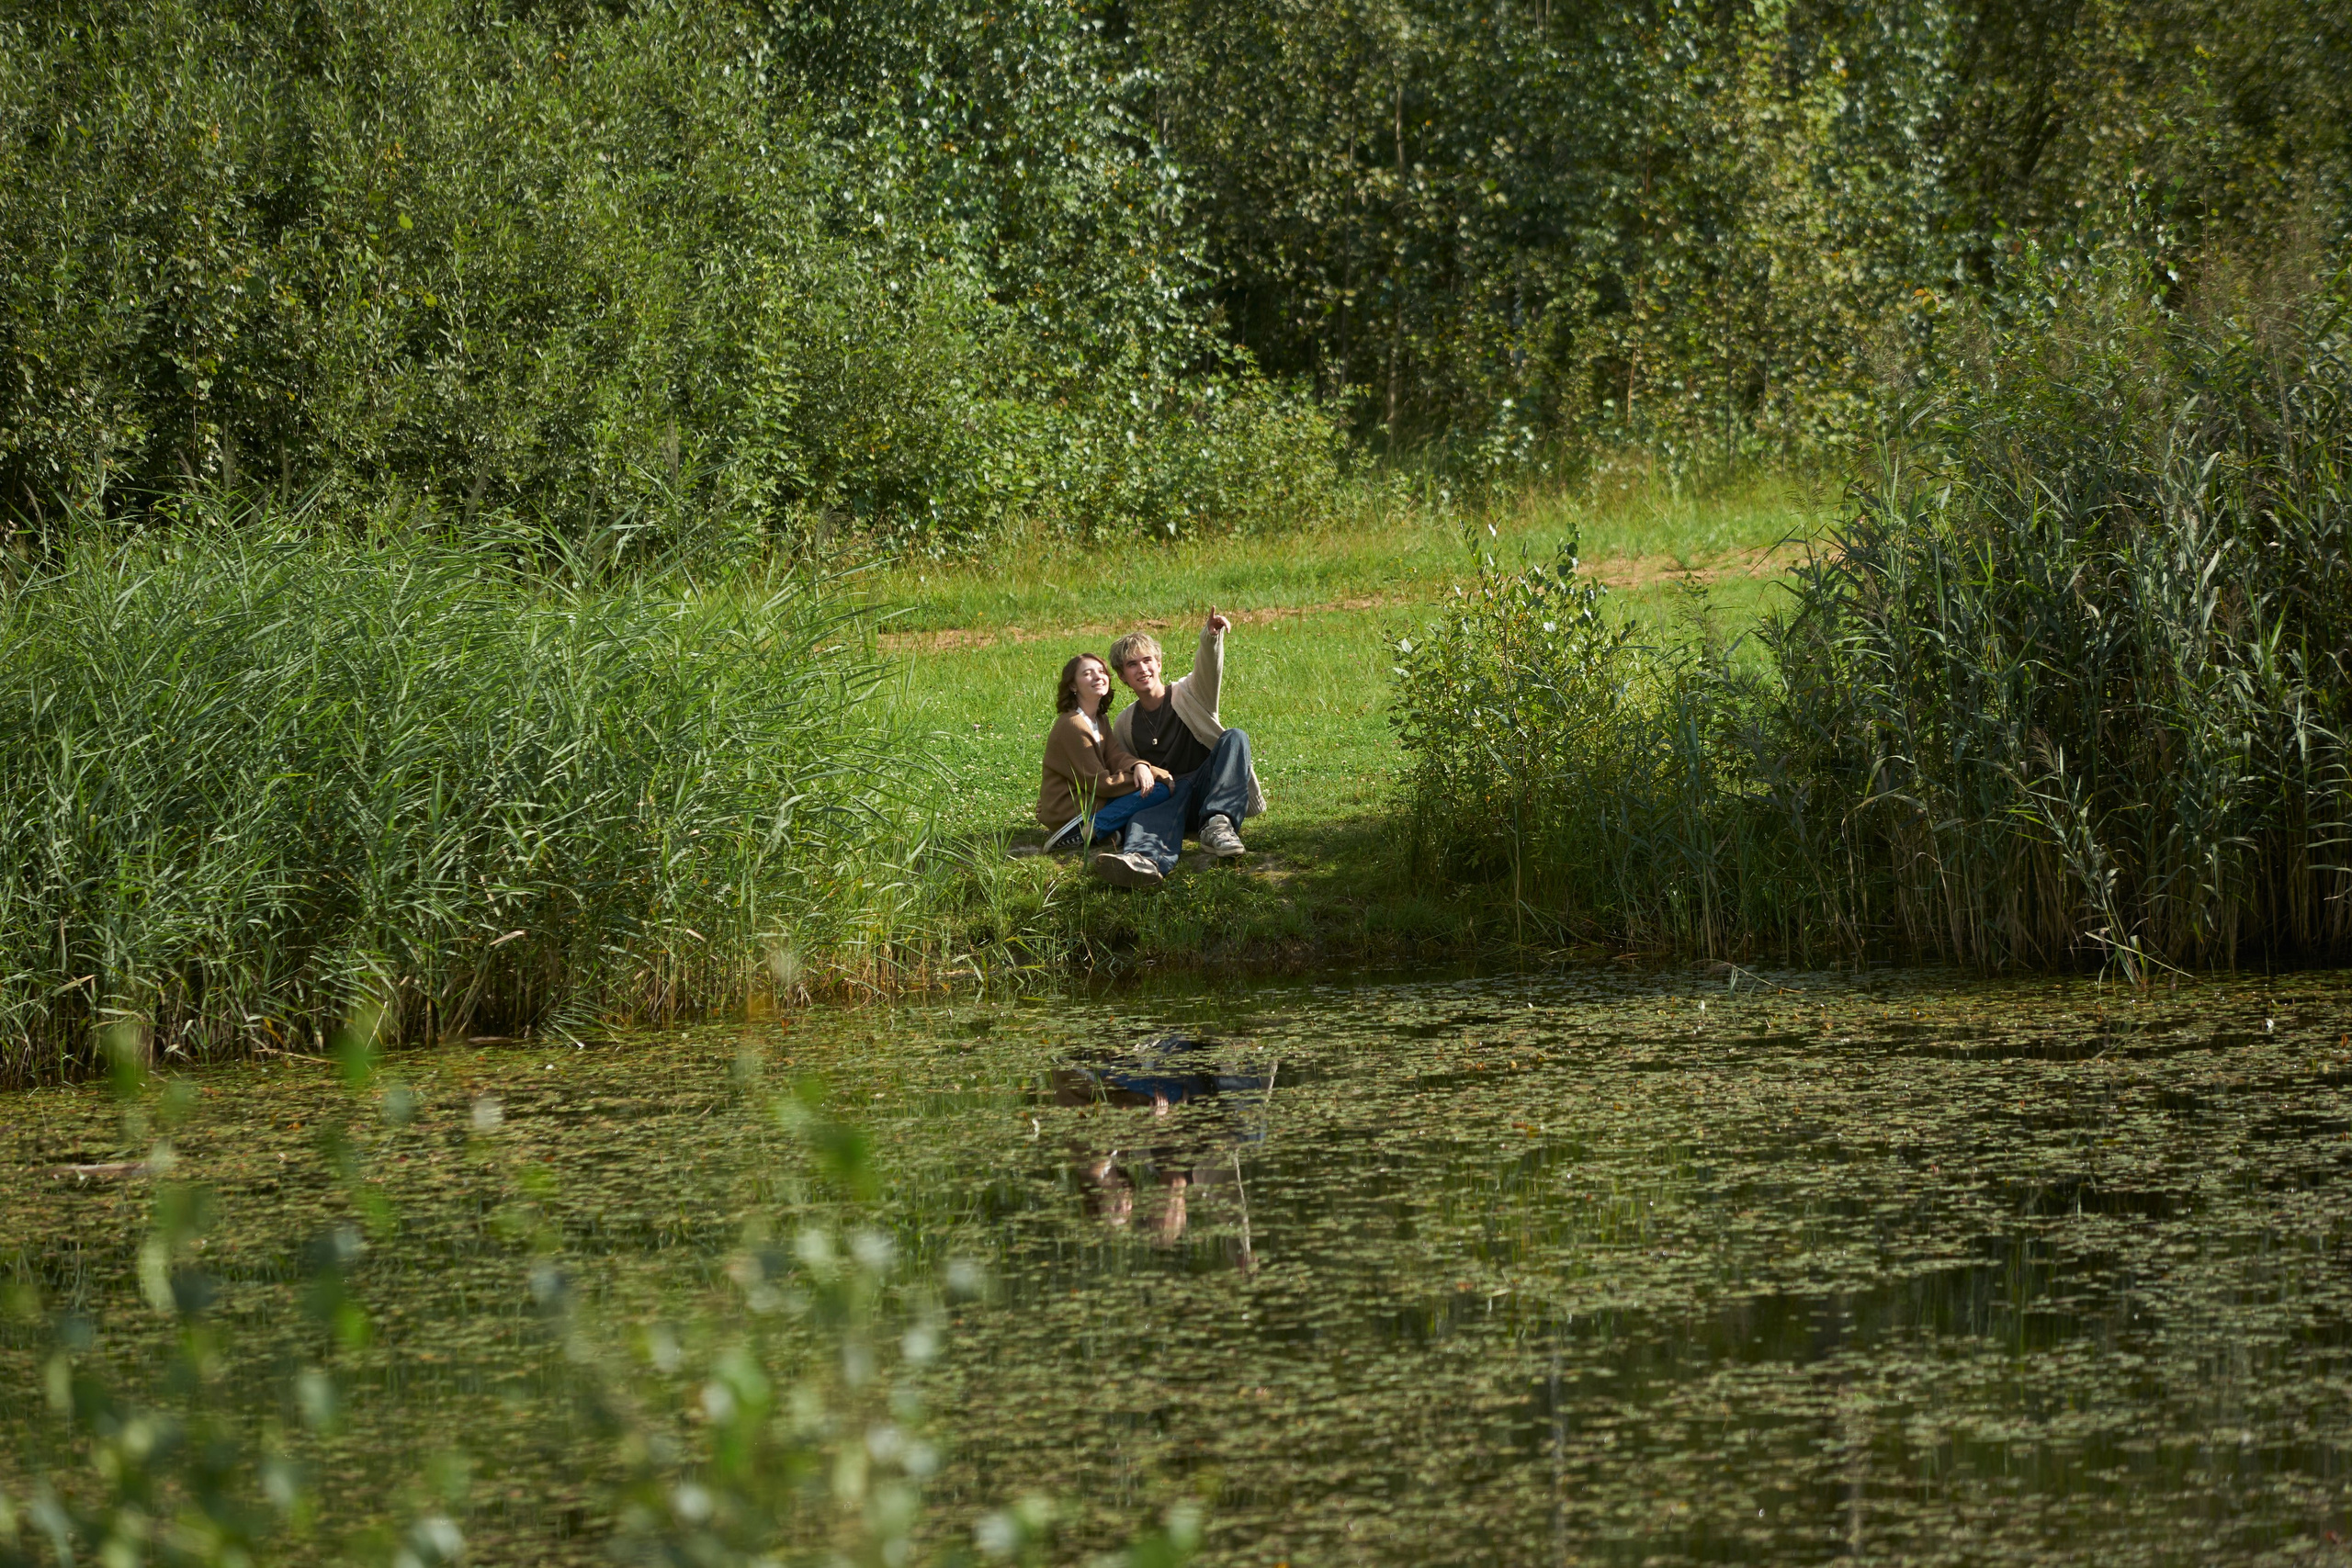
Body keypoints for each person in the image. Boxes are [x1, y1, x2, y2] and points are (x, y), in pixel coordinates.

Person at [1091, 611, 1266, 888]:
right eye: (1132, 664)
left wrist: (1210, 638)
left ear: (1159, 664)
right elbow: (1120, 769)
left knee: (1235, 737)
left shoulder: (1190, 693)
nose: (1142, 669)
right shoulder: (1125, 722)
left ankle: (1218, 825)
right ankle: (1143, 863)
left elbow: (1208, 669)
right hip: (1169, 799)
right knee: (1151, 805)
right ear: (1123, 676)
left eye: (1148, 660)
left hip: (1206, 790)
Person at [1036, 652, 1170, 853]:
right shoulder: (1073, 725)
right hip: (1070, 807)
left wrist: (1140, 766)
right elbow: (1101, 784)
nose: (1098, 677)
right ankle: (1086, 830)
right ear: (1073, 686)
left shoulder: (1099, 719)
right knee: (1158, 790)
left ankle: (1107, 833)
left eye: (1101, 672)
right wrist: (1154, 775)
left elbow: (1114, 756)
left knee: (1147, 801)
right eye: (1088, 674)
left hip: (1090, 798)